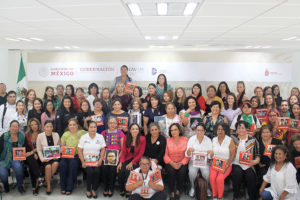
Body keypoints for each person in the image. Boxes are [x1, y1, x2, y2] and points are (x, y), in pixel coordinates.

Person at [231, 121, 260, 200]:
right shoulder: (232, 137)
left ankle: (252, 196)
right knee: (237, 174)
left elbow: (258, 155)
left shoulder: (253, 140)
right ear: (236, 129)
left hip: (249, 164)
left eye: (243, 128)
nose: (241, 130)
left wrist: (256, 161)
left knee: (250, 176)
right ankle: (236, 195)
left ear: (247, 129)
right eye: (239, 128)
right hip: (236, 162)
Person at [78, 121, 106, 198]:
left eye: (95, 127)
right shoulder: (84, 137)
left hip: (97, 161)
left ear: (97, 128)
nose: (93, 129)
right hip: (86, 161)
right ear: (88, 128)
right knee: (90, 172)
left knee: (97, 171)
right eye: (91, 127)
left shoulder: (100, 137)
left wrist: (100, 160)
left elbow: (103, 149)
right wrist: (82, 162)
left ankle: (94, 189)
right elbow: (80, 150)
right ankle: (88, 189)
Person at [118, 123, 146, 197]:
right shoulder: (126, 138)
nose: (135, 130)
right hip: (127, 158)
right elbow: (123, 152)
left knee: (128, 170)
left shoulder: (142, 139)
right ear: (130, 130)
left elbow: (141, 154)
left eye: (136, 129)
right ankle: (121, 188)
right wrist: (121, 162)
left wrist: (132, 162)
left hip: (137, 160)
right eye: (133, 129)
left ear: (139, 130)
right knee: (120, 170)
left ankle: (129, 189)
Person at [185, 123, 212, 197]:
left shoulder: (208, 140)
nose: (199, 132)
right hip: (194, 160)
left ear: (204, 131)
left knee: (206, 173)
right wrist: (189, 151)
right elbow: (187, 154)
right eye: (198, 130)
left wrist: (211, 153)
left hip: (204, 161)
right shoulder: (191, 139)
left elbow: (210, 156)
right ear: (195, 131)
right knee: (192, 172)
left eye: (201, 130)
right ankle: (193, 187)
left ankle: (207, 188)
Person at [59, 118, 85, 195]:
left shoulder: (82, 133)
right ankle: (63, 186)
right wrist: (61, 149)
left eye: (74, 124)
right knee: (62, 165)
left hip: (76, 156)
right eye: (70, 125)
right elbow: (62, 146)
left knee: (73, 165)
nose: (72, 126)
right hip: (66, 155)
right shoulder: (65, 134)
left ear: (77, 126)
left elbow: (91, 132)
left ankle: (69, 187)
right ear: (68, 126)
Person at [164, 123, 189, 200]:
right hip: (170, 162)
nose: (173, 132)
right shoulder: (168, 140)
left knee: (182, 172)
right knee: (171, 172)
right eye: (171, 130)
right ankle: (172, 191)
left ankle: (178, 190)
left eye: (175, 130)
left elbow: (188, 155)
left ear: (179, 130)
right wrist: (172, 163)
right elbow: (165, 155)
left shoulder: (186, 140)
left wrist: (181, 163)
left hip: (182, 162)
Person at [210, 123, 235, 200]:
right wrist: (211, 161)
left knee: (219, 179)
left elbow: (232, 154)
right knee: (212, 177)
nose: (220, 131)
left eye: (222, 129)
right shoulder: (213, 140)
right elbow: (211, 153)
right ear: (216, 130)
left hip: (226, 163)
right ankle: (214, 195)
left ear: (225, 130)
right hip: (215, 163)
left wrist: (227, 165)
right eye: (218, 129)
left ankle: (220, 197)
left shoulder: (229, 140)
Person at [101, 117, 125, 197]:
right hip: (106, 156)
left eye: (114, 123)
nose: (112, 125)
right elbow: (102, 147)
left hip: (117, 156)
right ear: (107, 124)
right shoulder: (104, 133)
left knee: (112, 170)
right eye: (110, 123)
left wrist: (118, 157)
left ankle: (111, 188)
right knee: (104, 169)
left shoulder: (120, 133)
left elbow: (122, 148)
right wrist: (103, 156)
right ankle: (105, 188)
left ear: (116, 124)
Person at [0, 120, 25, 193]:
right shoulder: (4, 136)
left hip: (16, 159)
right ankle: (5, 184)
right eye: (13, 126)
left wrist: (22, 157)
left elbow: (24, 148)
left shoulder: (21, 136)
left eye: (16, 126)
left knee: (18, 168)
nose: (14, 128)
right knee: (4, 175)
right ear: (10, 127)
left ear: (18, 128)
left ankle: (20, 185)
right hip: (3, 159)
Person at [36, 120, 60, 194]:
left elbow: (59, 147)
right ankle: (48, 185)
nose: (49, 128)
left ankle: (46, 180)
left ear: (53, 127)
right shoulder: (40, 136)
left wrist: (57, 156)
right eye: (47, 127)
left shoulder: (56, 135)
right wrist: (42, 159)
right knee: (48, 167)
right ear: (44, 127)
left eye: (50, 126)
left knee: (56, 164)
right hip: (45, 158)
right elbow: (39, 150)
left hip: (54, 157)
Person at [257, 125, 282, 189]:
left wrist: (274, 157)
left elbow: (283, 155)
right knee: (262, 175)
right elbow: (255, 154)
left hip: (276, 164)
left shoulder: (277, 142)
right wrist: (258, 162)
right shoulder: (257, 142)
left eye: (267, 132)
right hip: (263, 165)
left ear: (271, 133)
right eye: (263, 132)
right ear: (261, 134)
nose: (265, 134)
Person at [25, 118, 43, 196]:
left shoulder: (42, 133)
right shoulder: (27, 135)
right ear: (30, 126)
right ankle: (39, 178)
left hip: (41, 154)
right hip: (31, 155)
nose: (34, 126)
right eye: (32, 125)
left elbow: (43, 146)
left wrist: (34, 152)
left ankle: (34, 188)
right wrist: (33, 153)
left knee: (32, 162)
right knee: (31, 159)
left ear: (38, 125)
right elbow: (26, 147)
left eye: (35, 124)